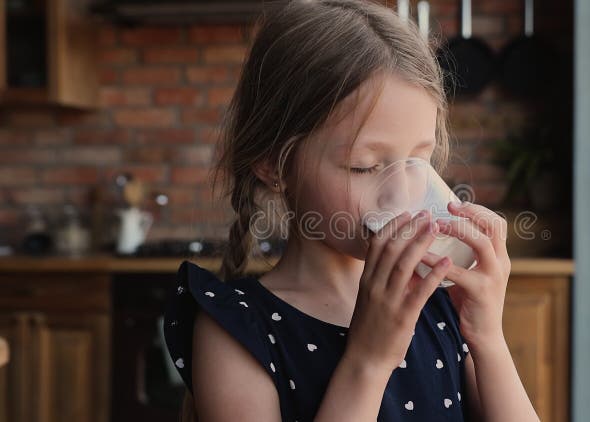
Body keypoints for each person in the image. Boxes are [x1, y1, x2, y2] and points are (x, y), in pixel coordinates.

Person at [162, 1, 539, 421]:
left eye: (420, 160)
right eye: (365, 166)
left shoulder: (437, 299)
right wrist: (369, 361)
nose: (401, 191)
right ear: (273, 163)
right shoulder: (237, 330)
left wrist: (488, 338)